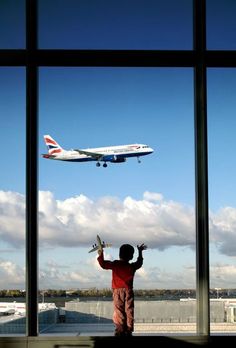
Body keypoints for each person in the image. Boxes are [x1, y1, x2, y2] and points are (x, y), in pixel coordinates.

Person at [97, 242, 147, 337]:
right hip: (129, 291)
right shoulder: (131, 266)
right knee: (129, 310)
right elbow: (139, 263)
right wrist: (140, 252)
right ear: (131, 256)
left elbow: (103, 264)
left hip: (117, 291)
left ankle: (120, 330)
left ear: (120, 254)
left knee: (119, 311)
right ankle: (128, 330)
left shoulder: (115, 264)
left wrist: (101, 253)